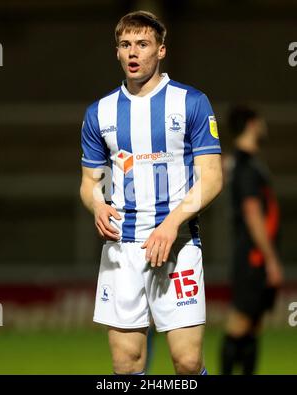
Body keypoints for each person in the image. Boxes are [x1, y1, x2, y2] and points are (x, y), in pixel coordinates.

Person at [80, 10, 222, 375]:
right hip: (122, 251)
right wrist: (96, 204)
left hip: (176, 245)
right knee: (127, 365)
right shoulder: (100, 112)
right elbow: (89, 182)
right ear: (116, 52)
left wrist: (172, 223)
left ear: (160, 51)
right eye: (126, 44)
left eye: (142, 44)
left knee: (188, 363)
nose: (133, 52)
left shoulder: (191, 102)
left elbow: (212, 178)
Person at [220, 106, 283, 375]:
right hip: (252, 256)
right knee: (239, 324)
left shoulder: (243, 162)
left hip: (255, 256)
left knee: (254, 325)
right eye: (260, 122)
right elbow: (252, 213)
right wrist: (270, 260)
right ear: (252, 124)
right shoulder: (245, 165)